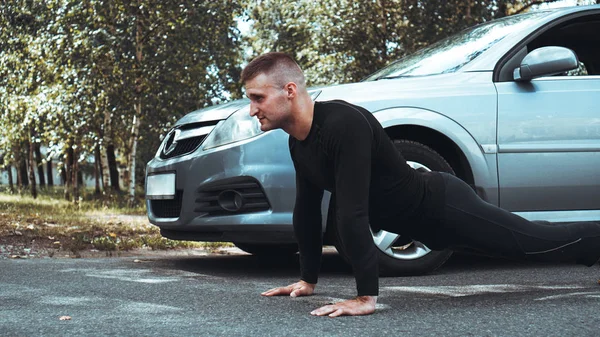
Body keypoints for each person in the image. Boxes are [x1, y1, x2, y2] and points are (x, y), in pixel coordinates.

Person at [240, 52, 600, 318]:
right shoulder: (298, 141)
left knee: (536, 244)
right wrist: (308, 280)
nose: (253, 110)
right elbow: (307, 210)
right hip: (425, 229)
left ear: (289, 90)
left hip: (445, 209)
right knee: (526, 246)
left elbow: (353, 212)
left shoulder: (343, 123)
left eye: (258, 98)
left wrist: (366, 298)